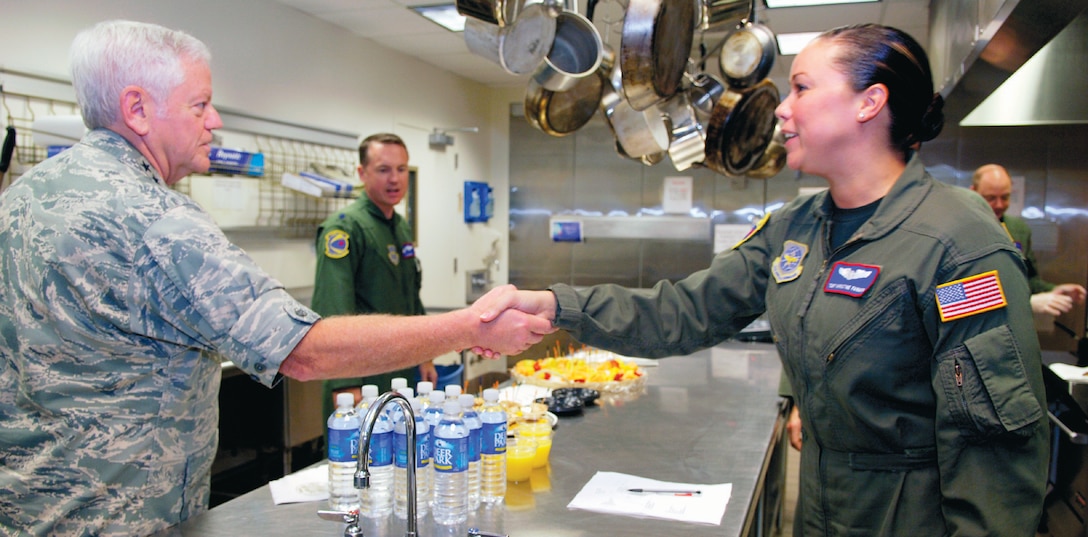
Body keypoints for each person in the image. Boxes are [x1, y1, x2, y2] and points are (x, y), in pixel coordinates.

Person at [478, 24, 1048, 536]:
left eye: (802, 88)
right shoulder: (796, 228)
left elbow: (994, 448)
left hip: (910, 516)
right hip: (823, 509)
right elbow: (682, 311)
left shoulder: (957, 241)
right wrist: (556, 304)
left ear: (869, 102)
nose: (780, 108)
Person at [0, 20, 552, 537]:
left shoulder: (20, 200)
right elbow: (304, 351)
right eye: (201, 104)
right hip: (124, 517)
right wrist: (470, 325)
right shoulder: (152, 219)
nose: (214, 120)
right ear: (137, 109)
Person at [312, 133, 434, 423]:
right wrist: (344, 384)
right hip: (361, 377)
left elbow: (409, 297)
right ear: (362, 173)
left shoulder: (399, 225)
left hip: (400, 370)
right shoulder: (344, 229)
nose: (395, 179)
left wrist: (426, 354)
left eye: (401, 169)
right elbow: (333, 311)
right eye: (383, 170)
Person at [971, 163, 1086, 316]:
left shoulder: (1018, 229)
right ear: (973, 193)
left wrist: (1052, 291)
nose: (999, 205)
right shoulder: (957, 231)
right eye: (990, 198)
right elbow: (948, 298)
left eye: (1005, 197)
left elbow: (1027, 279)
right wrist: (1024, 303)